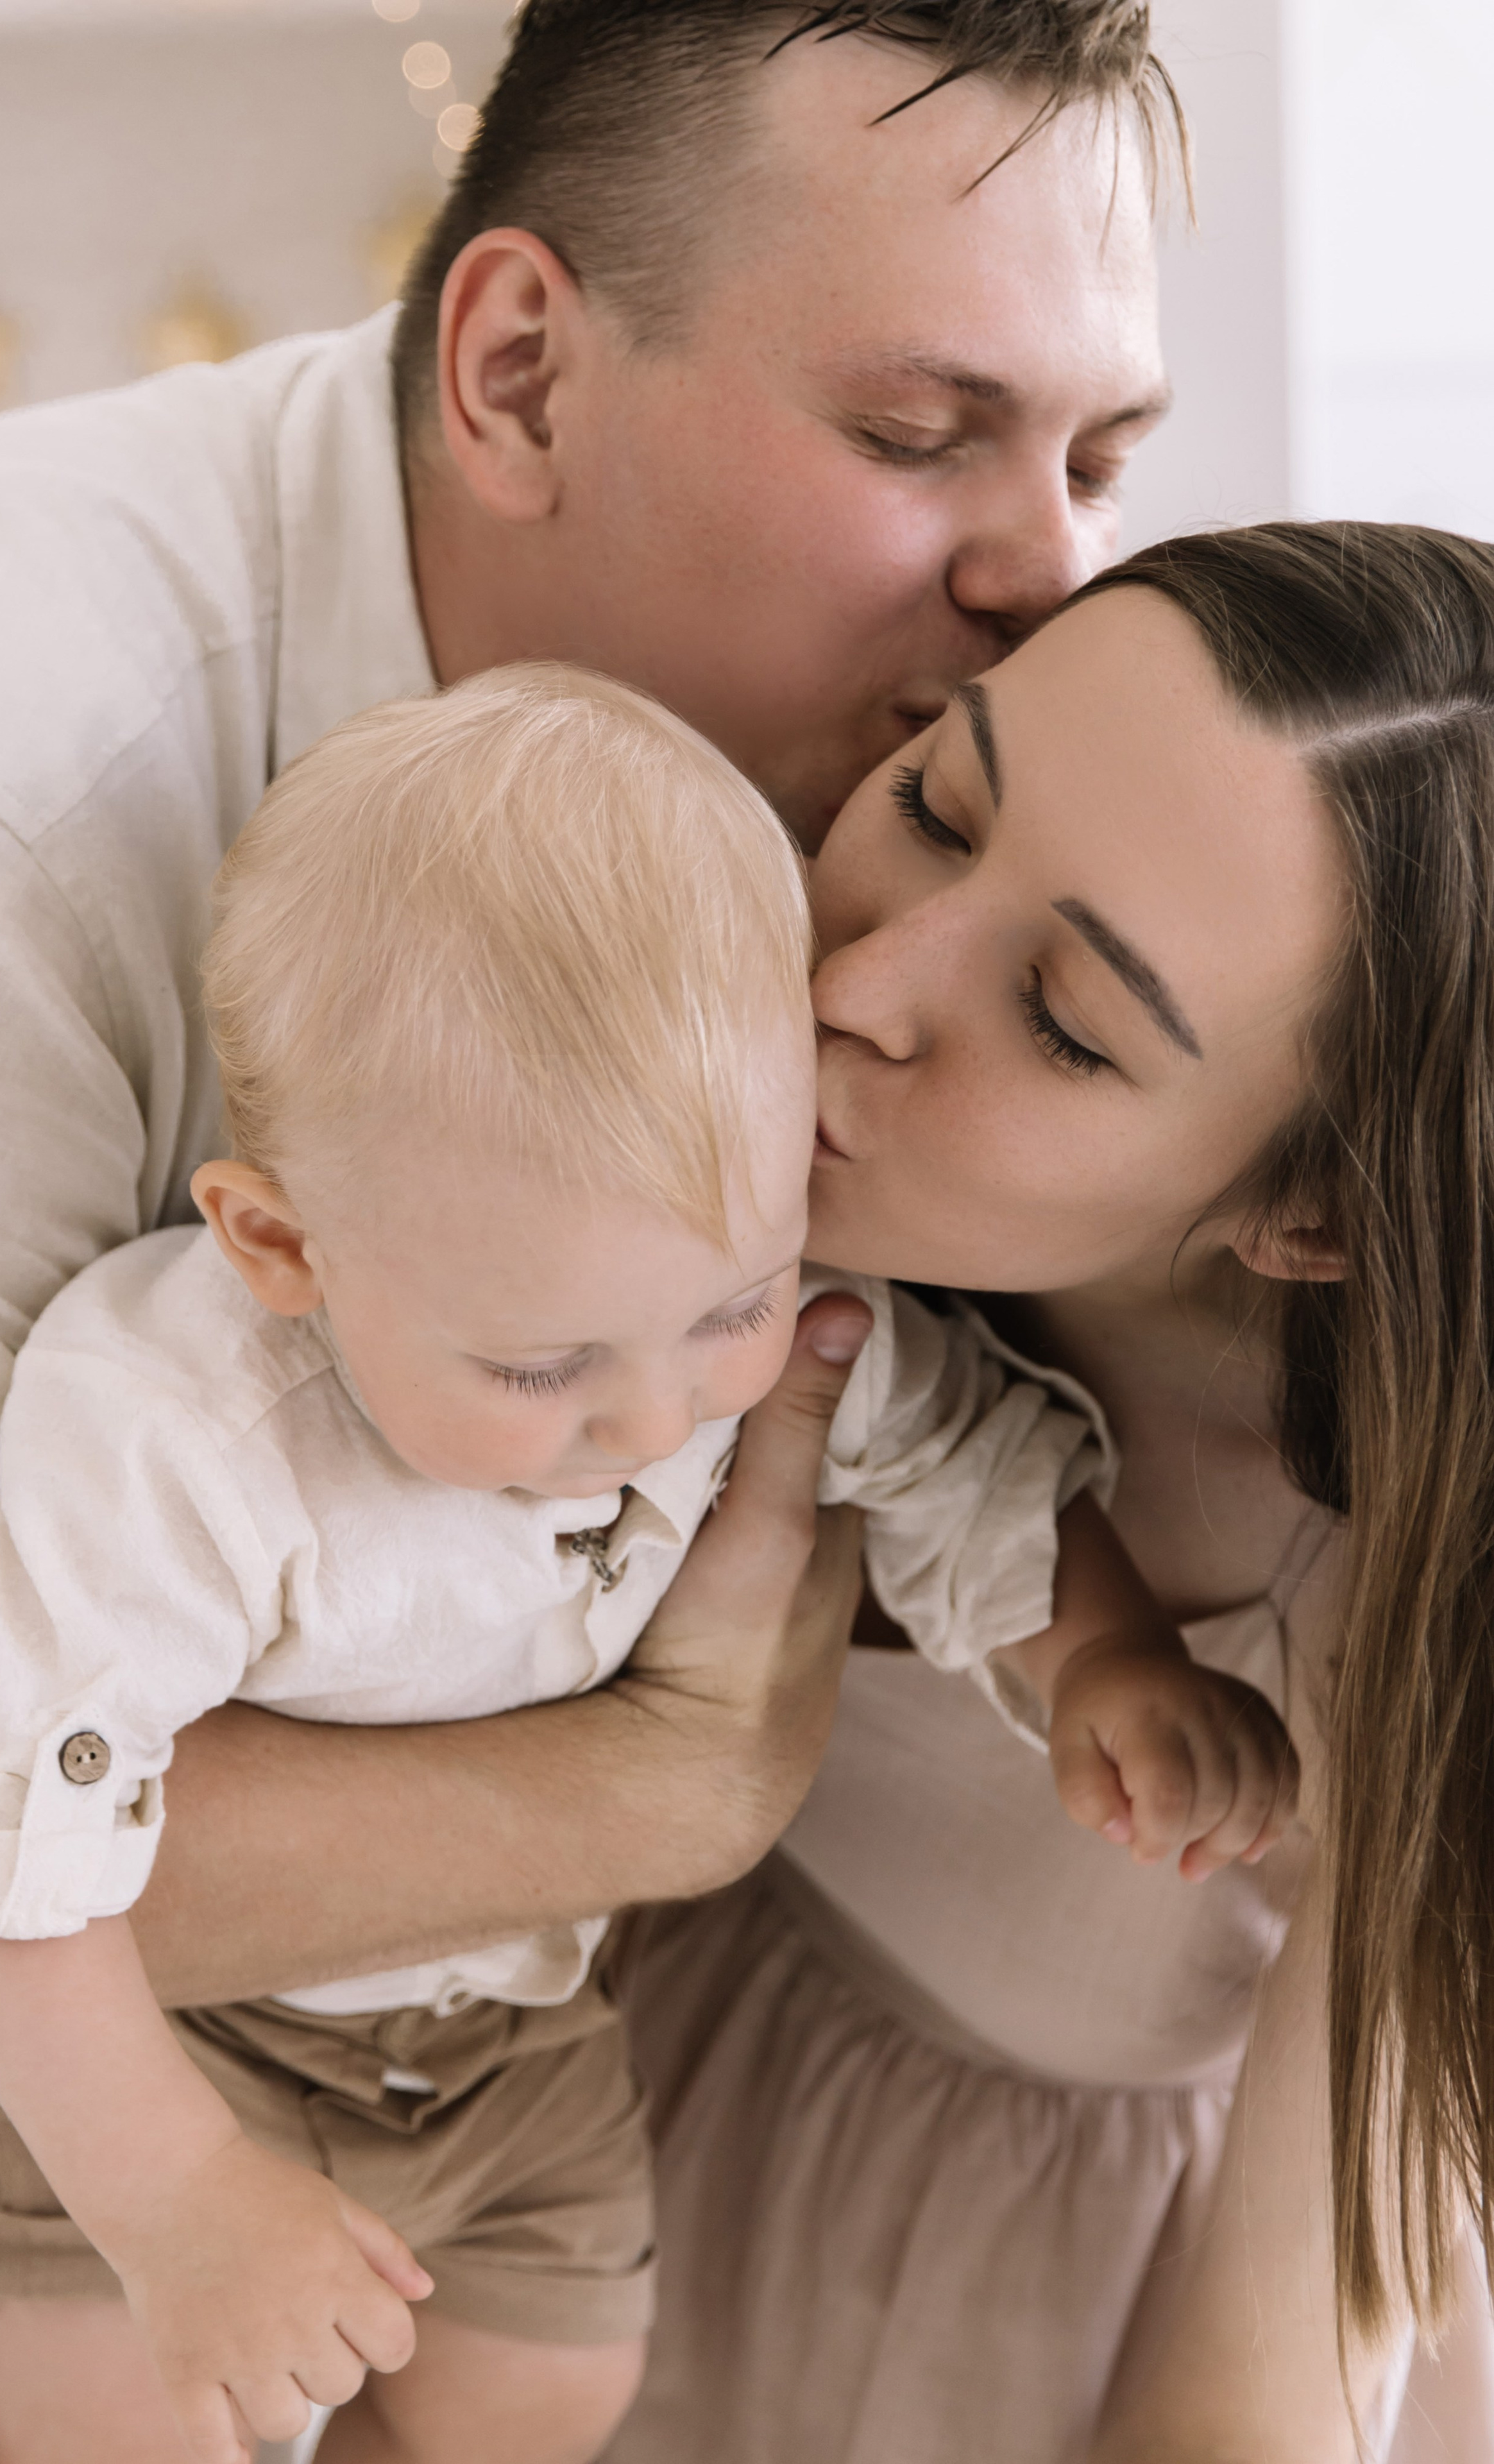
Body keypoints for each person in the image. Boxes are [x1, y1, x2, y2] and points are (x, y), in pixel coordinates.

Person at [0, 8, 1179, 2452]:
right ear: (525, 370)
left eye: (1106, 456)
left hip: (541, 2146)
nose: (1047, 571)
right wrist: (656, 1791)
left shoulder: (893, 782)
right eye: (918, 434)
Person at [0, 665, 1296, 2464]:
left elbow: (959, 1451)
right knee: (132, 2416)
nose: (652, 1412)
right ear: (285, 1242)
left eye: (732, 1308)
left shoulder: (721, 1302)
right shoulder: (192, 1437)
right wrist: (172, 2192)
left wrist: (1104, 1658)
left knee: (552, 2394)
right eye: (540, 1369)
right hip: (167, 2034)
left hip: (501, 2032)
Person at [605, 523, 1494, 2464]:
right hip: (570, 2136)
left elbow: (1261, 2407)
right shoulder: (685, 1081)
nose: (859, 976)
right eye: (933, 805)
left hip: (986, 2343)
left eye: (1069, 1019)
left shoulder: (1404, 1621)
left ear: (1312, 1211)